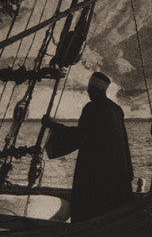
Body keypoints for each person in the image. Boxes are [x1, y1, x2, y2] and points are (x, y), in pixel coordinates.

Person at [45, 72, 134, 222]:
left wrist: (54, 126)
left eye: (90, 89)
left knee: (88, 210)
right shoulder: (116, 109)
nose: (87, 92)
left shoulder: (92, 108)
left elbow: (80, 136)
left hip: (94, 173)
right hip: (117, 174)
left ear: (94, 90)